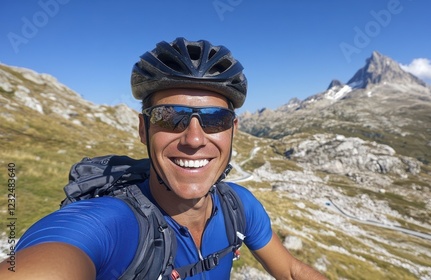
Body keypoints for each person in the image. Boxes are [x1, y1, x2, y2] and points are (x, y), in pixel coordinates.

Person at [0, 37, 327, 279]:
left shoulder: (239, 207)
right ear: (143, 130)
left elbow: (293, 270)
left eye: (214, 119)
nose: (195, 139)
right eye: (170, 117)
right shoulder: (113, 224)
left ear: (232, 131)